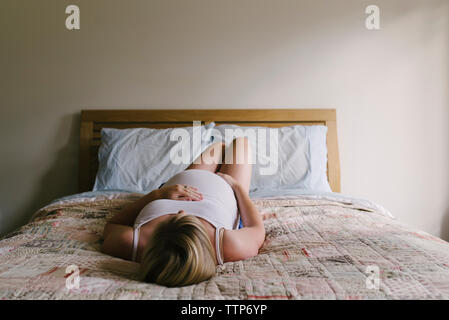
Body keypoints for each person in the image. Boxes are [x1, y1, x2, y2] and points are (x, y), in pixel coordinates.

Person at [101, 137, 265, 287]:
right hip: (228, 190)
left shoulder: (131, 242)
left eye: (173, 218)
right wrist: (236, 186)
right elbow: (256, 229)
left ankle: (220, 146)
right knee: (241, 143)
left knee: (220, 147)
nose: (181, 209)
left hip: (182, 181)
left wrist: (157, 195)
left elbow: (112, 223)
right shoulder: (227, 245)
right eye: (186, 217)